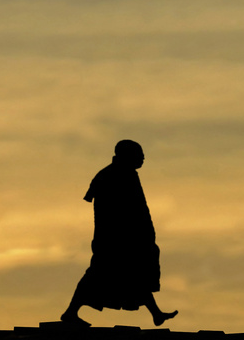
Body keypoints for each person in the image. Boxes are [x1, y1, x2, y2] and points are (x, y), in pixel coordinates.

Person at [59, 139, 177, 327]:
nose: (143, 158)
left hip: (128, 239)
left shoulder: (125, 174)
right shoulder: (111, 176)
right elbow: (118, 211)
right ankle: (70, 312)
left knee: (135, 274)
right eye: (139, 155)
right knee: (98, 276)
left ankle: (156, 313)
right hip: (114, 240)